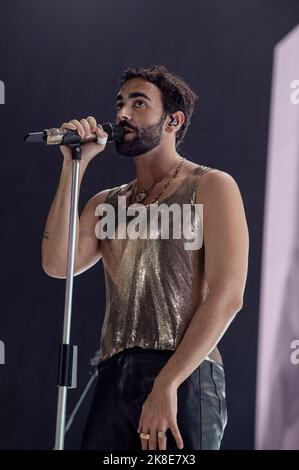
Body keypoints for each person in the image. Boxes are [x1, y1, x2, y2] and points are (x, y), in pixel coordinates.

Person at [42, 65, 249, 450]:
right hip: (113, 374)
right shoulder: (107, 202)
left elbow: (229, 295)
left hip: (186, 373)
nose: (122, 114)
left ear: (173, 120)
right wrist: (75, 165)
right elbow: (57, 264)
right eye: (120, 104)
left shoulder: (211, 186)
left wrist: (167, 384)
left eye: (139, 104)